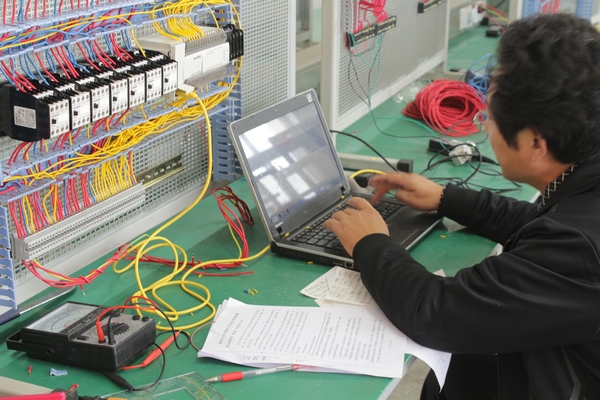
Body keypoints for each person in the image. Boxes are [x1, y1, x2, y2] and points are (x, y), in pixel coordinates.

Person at [323, 13, 600, 400]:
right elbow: (541, 226)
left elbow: (435, 312)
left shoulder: (577, 249)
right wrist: (446, 198)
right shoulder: (583, 185)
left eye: (490, 117)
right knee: (452, 377)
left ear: (536, 144)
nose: (484, 126)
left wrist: (370, 244)